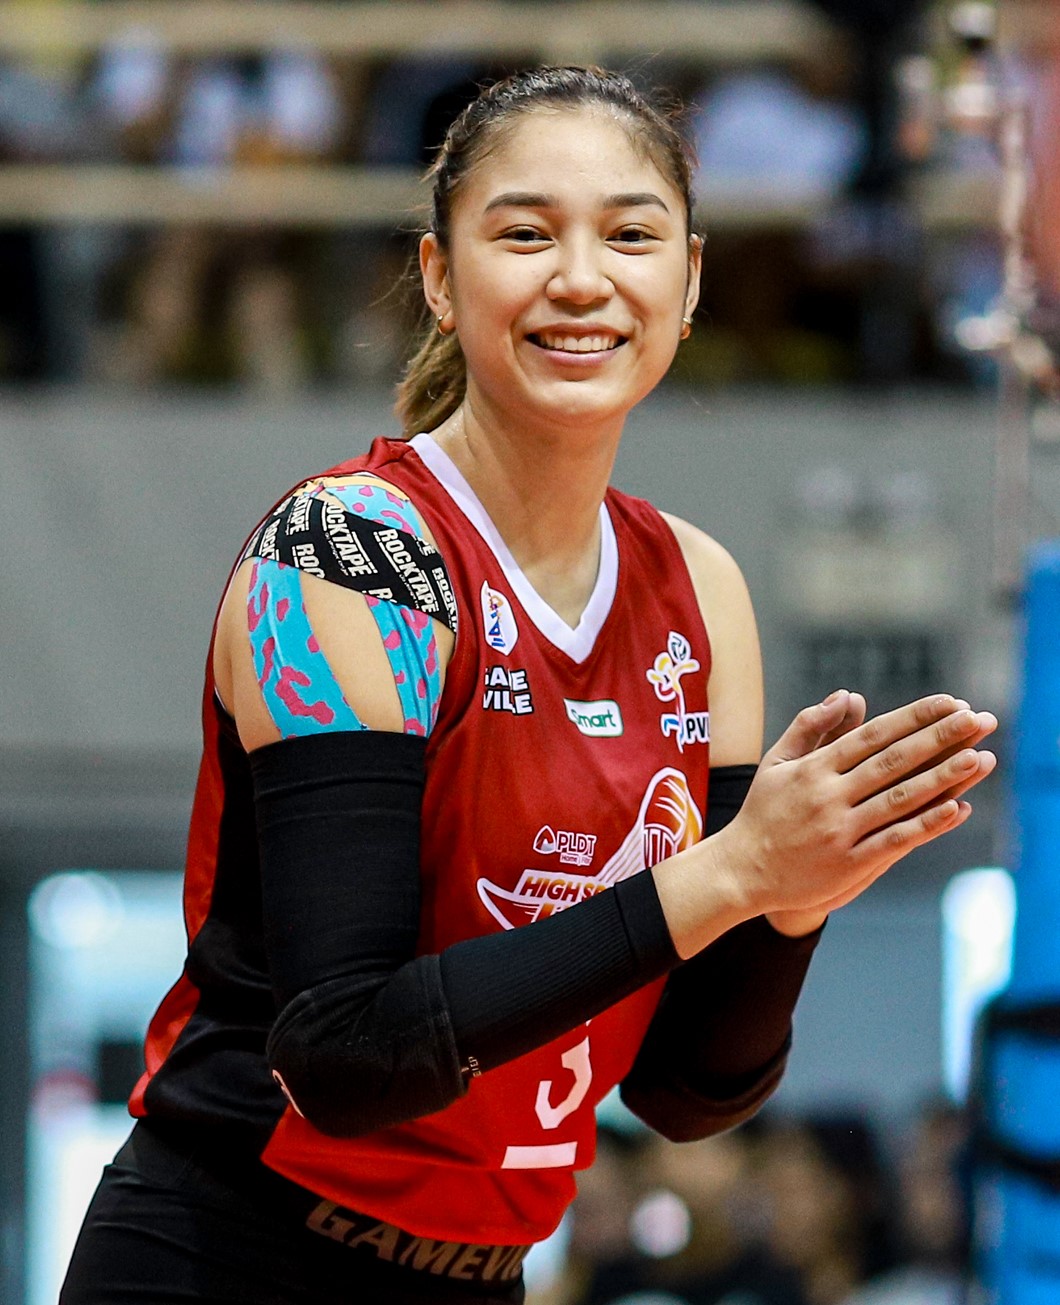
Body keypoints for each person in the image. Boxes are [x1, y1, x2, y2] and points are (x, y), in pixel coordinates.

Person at [59, 66, 996, 1305]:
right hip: (233, 1254)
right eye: (524, 233)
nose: (581, 278)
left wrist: (793, 899)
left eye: (630, 235)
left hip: (488, 1273)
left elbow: (683, 1091)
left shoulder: (699, 588)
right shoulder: (354, 552)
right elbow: (344, 1054)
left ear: (690, 282)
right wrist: (729, 876)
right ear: (440, 279)